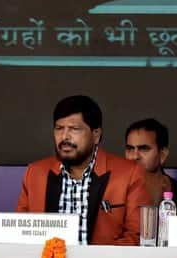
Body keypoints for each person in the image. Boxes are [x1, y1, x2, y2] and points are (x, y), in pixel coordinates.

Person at [16, 95, 150, 245]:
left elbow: (137, 236)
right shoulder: (35, 173)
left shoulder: (129, 174)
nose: (65, 136)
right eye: (59, 128)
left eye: (74, 129)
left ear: (96, 135)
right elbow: (18, 234)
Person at [124, 118, 177, 215]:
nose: (135, 156)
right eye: (130, 149)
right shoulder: (115, 194)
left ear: (162, 155)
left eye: (144, 149)